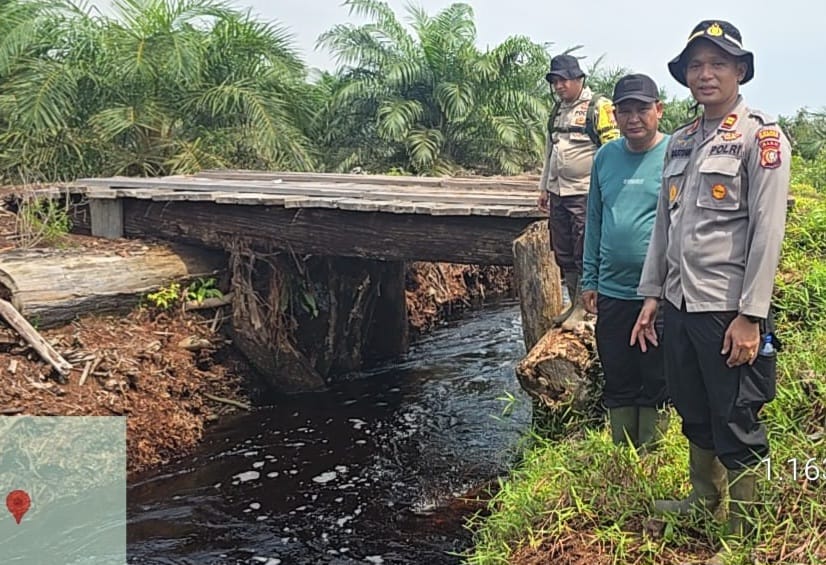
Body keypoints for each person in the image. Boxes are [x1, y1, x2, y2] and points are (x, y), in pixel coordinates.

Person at [630, 20, 790, 561]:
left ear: (739, 71)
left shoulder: (760, 137)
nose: (705, 74)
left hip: (728, 309)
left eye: (717, 63)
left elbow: (767, 231)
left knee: (736, 416)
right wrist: (652, 296)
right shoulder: (680, 141)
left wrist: (753, 315)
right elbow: (664, 226)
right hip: (678, 305)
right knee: (694, 407)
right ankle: (704, 498)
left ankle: (743, 533)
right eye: (696, 65)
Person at [580, 74, 670, 451]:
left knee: (656, 374)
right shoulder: (605, 157)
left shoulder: (674, 154)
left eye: (643, 109)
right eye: (626, 110)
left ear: (658, 111)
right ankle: (623, 451)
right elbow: (595, 219)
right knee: (618, 372)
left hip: (659, 293)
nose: (634, 118)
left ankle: (651, 453)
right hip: (613, 290)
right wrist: (589, 279)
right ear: (614, 116)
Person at [538, 54, 620, 331]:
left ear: (578, 79)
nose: (559, 86)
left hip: (585, 192)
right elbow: (550, 151)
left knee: (584, 248)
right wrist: (543, 188)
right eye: (555, 81)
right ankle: (573, 302)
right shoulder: (557, 111)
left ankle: (586, 308)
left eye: (563, 80)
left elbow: (612, 151)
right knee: (562, 249)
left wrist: (608, 191)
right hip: (559, 192)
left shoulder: (598, 107)